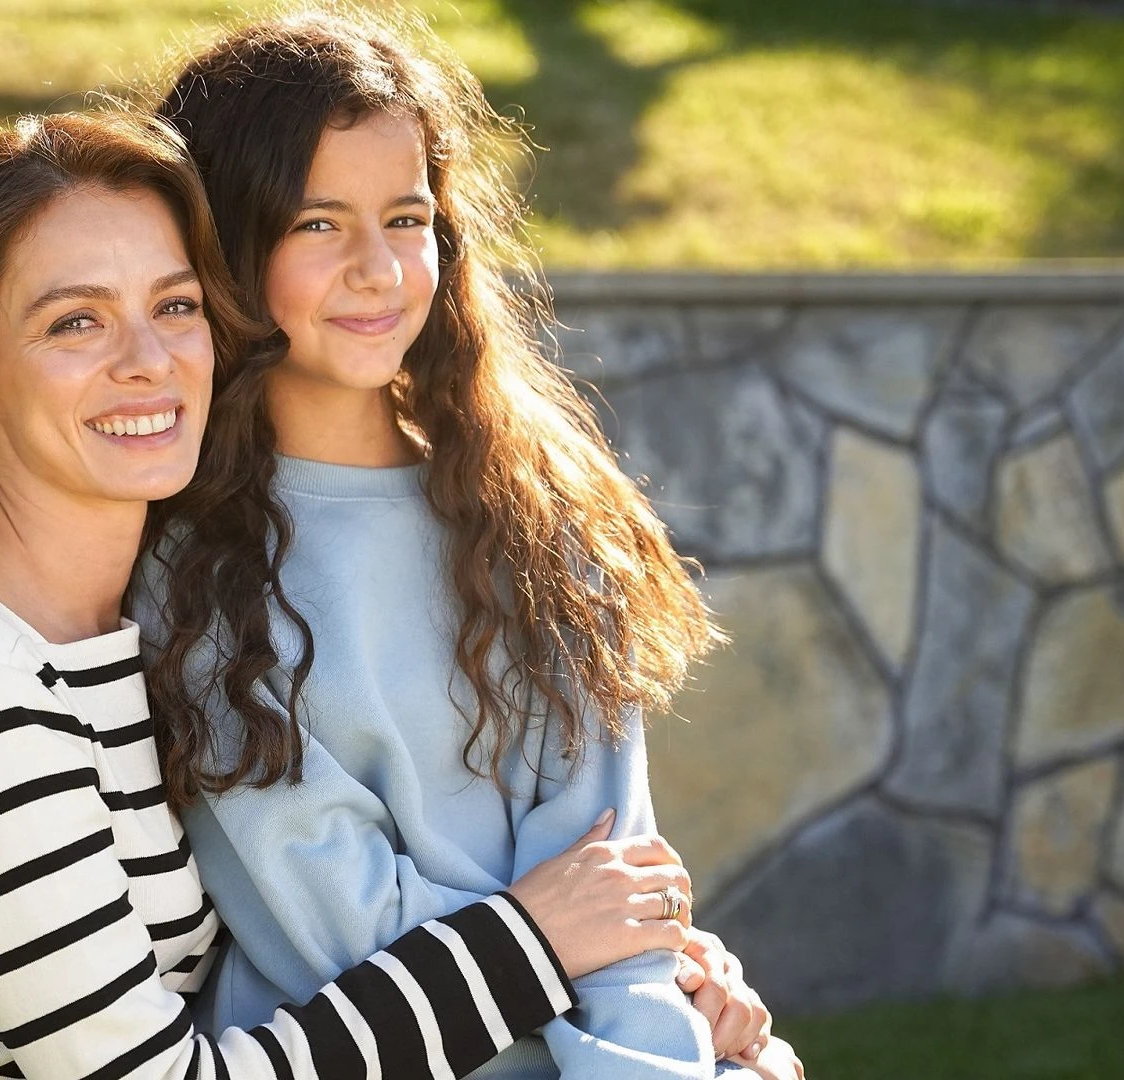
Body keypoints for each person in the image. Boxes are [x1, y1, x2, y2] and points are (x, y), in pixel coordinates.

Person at [0, 110, 728, 1080]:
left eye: (174, 307)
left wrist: (657, 967)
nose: (146, 361)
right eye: (75, 320)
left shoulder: (124, 626)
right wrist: (536, 943)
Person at [139, 10, 805, 1079]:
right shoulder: (196, 571)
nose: (377, 268)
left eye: (406, 218)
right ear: (225, 245)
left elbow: (612, 872)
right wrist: (572, 942)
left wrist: (668, 1049)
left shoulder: (535, 505)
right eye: (317, 224)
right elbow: (337, 930)